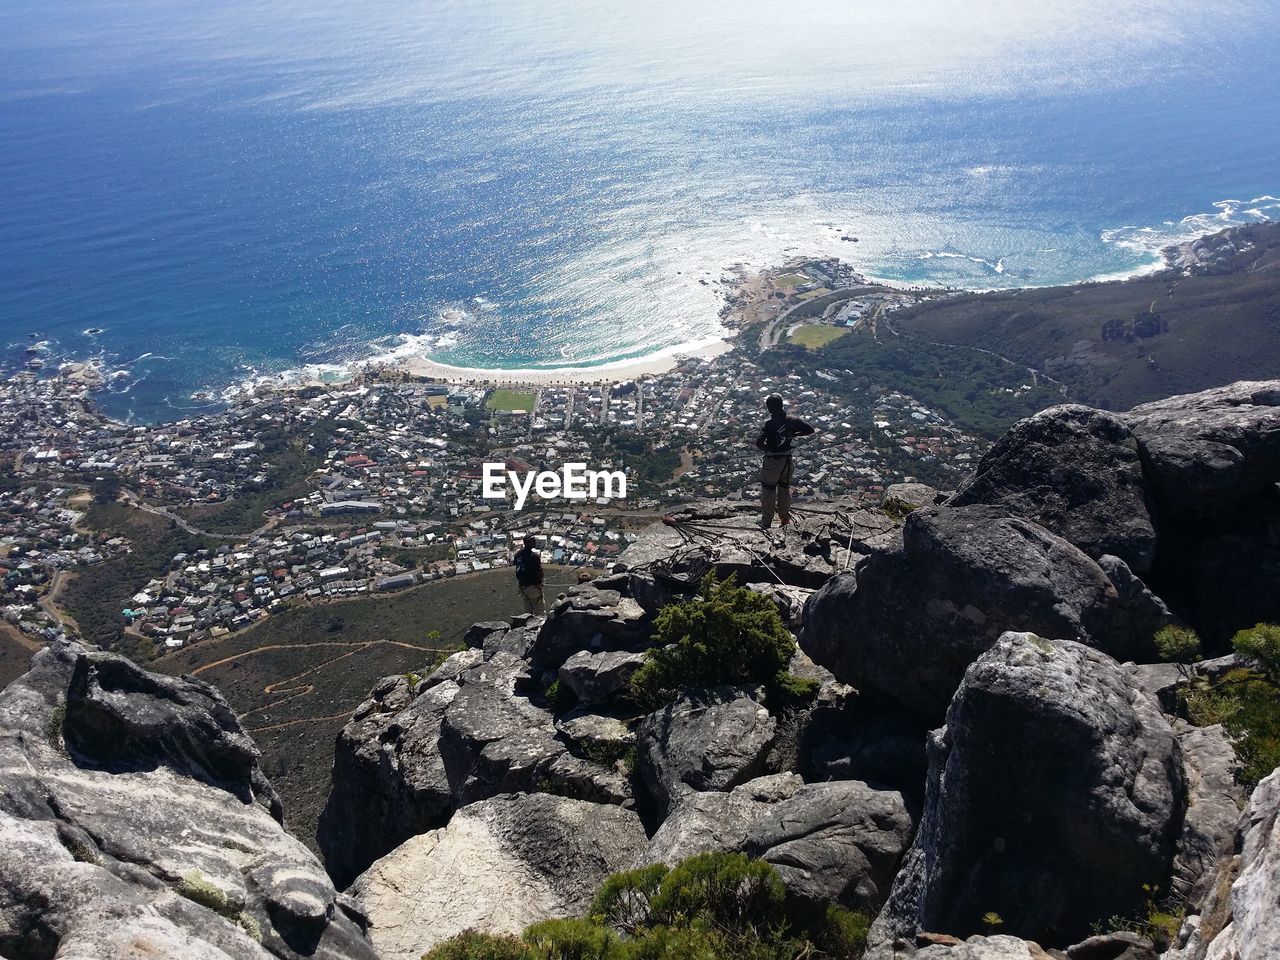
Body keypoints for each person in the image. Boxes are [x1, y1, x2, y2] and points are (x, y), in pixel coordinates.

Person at [755, 394, 816, 529]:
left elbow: (759, 442)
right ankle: (784, 519)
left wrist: (769, 450)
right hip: (787, 459)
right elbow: (810, 430)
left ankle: (766, 522)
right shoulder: (793, 420)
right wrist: (794, 434)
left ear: (770, 408)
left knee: (768, 489)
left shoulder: (769, 424)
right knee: (784, 488)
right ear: (782, 405)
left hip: (773, 460)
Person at [512, 533, 545, 614]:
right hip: (533, 586)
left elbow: (516, 565)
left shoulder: (518, 555)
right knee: (539, 609)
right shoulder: (534, 557)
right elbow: (539, 571)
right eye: (533, 541)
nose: (535, 542)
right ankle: (539, 625)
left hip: (522, 586)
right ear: (529, 543)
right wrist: (540, 583)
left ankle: (527, 623)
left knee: (527, 607)